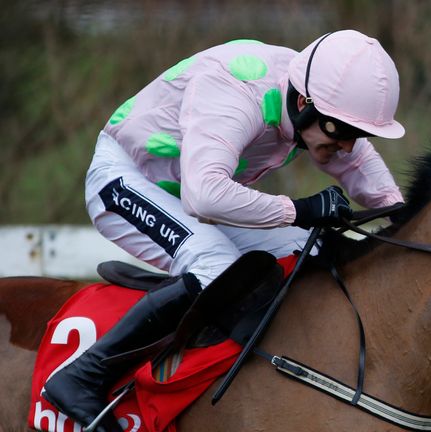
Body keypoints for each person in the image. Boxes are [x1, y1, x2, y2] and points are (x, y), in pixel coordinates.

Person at [42, 29, 405, 431]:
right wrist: (301, 208)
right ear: (303, 104)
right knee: (216, 265)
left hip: (193, 190)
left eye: (361, 135)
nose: (349, 147)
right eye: (343, 132)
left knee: (309, 251)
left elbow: (359, 169)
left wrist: (405, 220)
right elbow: (205, 196)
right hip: (126, 179)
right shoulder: (238, 91)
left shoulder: (314, 97)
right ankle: (83, 376)